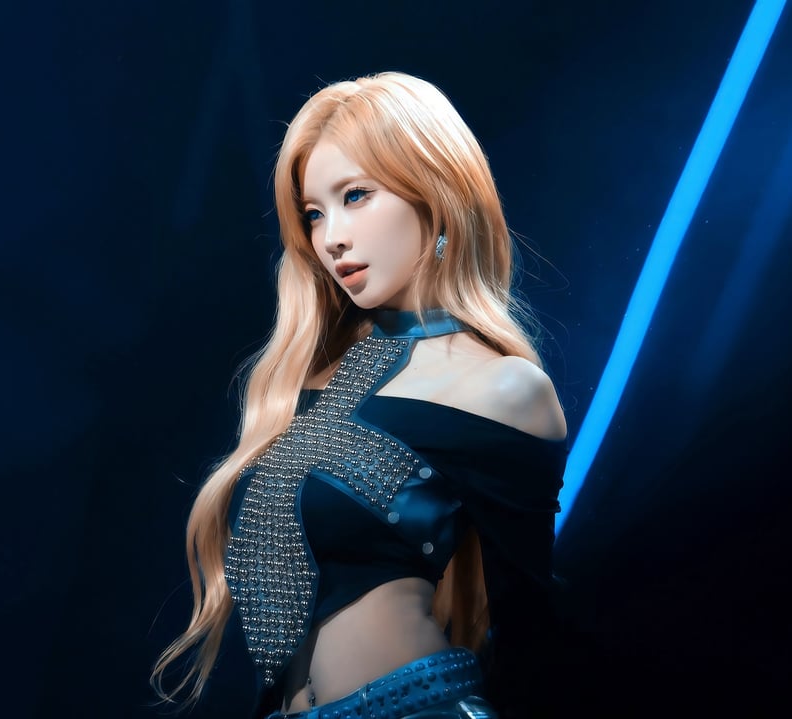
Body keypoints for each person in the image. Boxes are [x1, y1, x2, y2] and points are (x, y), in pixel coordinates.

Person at [153, 71, 568, 719]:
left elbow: (533, 631)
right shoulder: (314, 381)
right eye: (314, 214)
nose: (331, 238)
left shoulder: (503, 387)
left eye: (356, 195)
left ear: (434, 191)